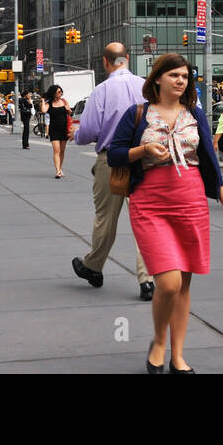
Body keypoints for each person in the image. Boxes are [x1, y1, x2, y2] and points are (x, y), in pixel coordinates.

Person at [106, 53, 223, 373]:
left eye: (185, 76)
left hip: (191, 202)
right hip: (149, 203)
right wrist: (144, 150)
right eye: (174, 75)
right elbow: (114, 154)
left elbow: (208, 158)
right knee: (168, 282)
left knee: (184, 284)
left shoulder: (194, 113)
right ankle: (159, 341)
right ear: (158, 79)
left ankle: (177, 355)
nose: (180, 80)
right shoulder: (137, 113)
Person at [72, 43, 154, 301]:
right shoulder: (146, 87)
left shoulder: (102, 90)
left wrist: (80, 135)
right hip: (146, 159)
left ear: (105, 62)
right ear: (127, 59)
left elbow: (86, 132)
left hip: (113, 161)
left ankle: (93, 267)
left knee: (106, 218)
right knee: (145, 219)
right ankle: (147, 279)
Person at [41, 84, 71, 178]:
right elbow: (44, 110)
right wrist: (42, 100)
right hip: (54, 129)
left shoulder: (64, 101)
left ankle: (60, 169)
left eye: (61, 91)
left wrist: (68, 110)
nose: (60, 93)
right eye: (58, 92)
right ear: (54, 93)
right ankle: (57, 170)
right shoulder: (49, 103)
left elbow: (70, 112)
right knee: (56, 150)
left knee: (62, 151)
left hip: (64, 129)